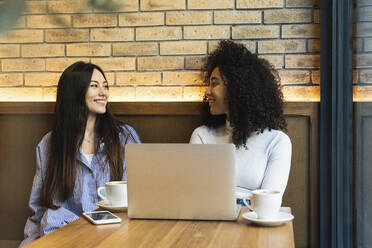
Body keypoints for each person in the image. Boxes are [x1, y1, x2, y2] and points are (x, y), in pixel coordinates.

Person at [20, 62, 140, 246]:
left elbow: (139, 200)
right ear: (75, 91)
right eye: (94, 85)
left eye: (105, 85)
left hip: (114, 239)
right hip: (61, 240)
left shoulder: (125, 138)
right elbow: (38, 212)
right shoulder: (48, 145)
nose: (103, 92)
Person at [190, 40, 292, 201]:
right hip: (211, 222)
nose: (207, 92)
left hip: (254, 222)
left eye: (214, 84)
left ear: (235, 88)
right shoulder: (202, 136)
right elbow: (194, 193)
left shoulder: (277, 142)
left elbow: (270, 202)